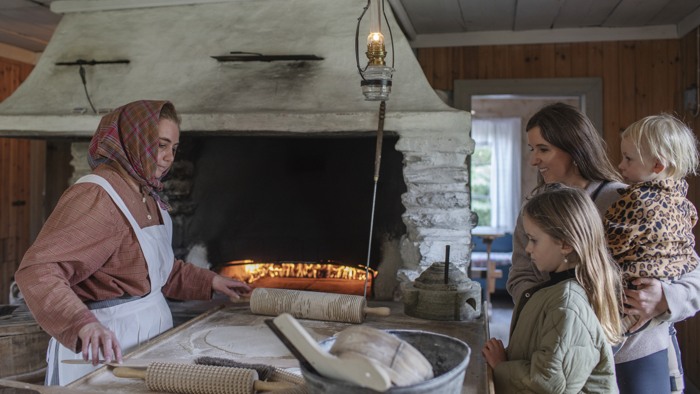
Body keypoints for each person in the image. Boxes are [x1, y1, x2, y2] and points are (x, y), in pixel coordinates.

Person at [15, 100, 252, 386]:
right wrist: (82, 324)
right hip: (107, 345)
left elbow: (155, 271)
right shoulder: (97, 197)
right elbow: (38, 271)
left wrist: (211, 282)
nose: (167, 158)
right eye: (160, 144)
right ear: (133, 140)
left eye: (173, 149)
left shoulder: (147, 194)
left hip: (149, 338)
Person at [506, 103, 700, 394]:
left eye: (543, 149)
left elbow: (690, 273)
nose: (534, 160)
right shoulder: (535, 211)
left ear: (573, 147)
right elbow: (521, 277)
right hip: (564, 357)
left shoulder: (628, 202)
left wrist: (664, 298)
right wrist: (556, 321)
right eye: (532, 149)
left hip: (634, 356)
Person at [483, 185, 622, 393]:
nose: (528, 248)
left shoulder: (567, 303)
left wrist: (502, 365)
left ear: (565, 244)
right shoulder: (558, 292)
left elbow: (548, 383)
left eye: (534, 240)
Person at [605, 114, 699, 335]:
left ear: (657, 164)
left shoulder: (637, 200)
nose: (620, 165)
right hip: (668, 281)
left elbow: (612, 242)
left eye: (628, 159)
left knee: (604, 340)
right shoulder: (682, 202)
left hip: (634, 288)